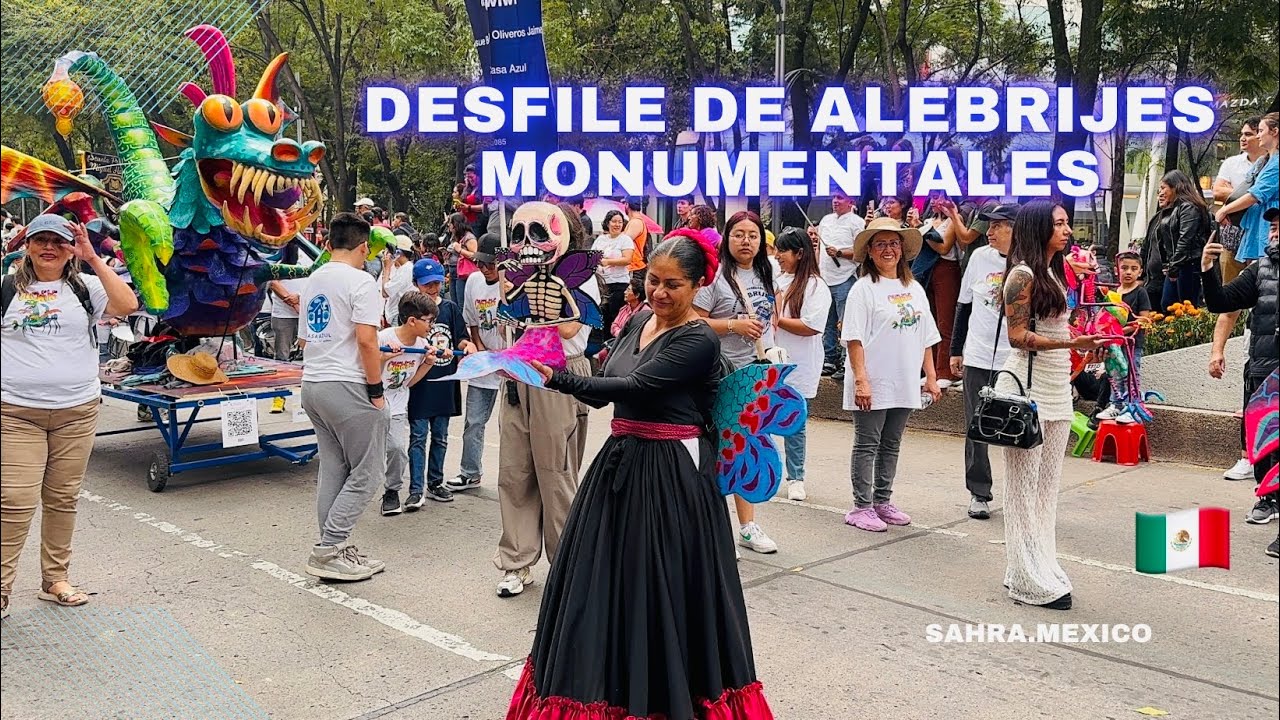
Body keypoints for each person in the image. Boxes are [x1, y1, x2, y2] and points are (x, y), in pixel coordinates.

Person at [506, 234, 774, 719]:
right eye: (653, 280)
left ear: (698, 285)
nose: (660, 293)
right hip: (620, 464)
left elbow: (637, 385)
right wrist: (543, 362)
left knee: (665, 590)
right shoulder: (638, 322)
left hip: (672, 474)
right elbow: (604, 387)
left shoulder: (697, 338)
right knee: (603, 590)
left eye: (673, 284)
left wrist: (552, 376)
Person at [1, 214, 138, 619]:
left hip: (76, 411)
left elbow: (127, 305)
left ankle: (54, 579)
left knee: (62, 498)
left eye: (58, 242)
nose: (49, 248)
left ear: (70, 247)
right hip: (16, 411)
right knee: (14, 499)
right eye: (40, 240)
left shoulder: (86, 286)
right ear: (26, 244)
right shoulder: (8, 288)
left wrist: (94, 258)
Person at [998, 200, 1109, 609]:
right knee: (1022, 488)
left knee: (1046, 489)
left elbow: (1060, 328)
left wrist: (1086, 345)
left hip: (1057, 387)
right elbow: (1017, 336)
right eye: (1058, 224)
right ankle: (1027, 577)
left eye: (1066, 224)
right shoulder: (1022, 275)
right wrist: (1070, 342)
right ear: (1038, 228)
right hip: (1026, 388)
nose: (1067, 230)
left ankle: (1035, 564)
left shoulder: (1055, 271)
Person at [494, 209, 600, 597]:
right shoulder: (514, 275)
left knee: (556, 473)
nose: (526, 242)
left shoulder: (579, 278)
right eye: (518, 232)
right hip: (518, 373)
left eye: (537, 232)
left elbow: (571, 326)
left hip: (560, 373)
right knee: (514, 471)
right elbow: (505, 319)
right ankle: (516, 562)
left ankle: (567, 564)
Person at [295, 213, 391, 580]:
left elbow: (308, 337)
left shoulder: (314, 279)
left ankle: (333, 547)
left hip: (314, 384)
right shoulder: (362, 281)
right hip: (348, 385)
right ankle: (327, 549)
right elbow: (367, 340)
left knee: (334, 468)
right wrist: (376, 390)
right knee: (369, 472)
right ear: (364, 246)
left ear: (329, 242)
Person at [841, 217, 941, 532]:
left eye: (894, 243)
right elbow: (854, 339)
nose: (888, 250)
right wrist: (861, 379)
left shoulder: (913, 288)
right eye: (881, 244)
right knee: (868, 442)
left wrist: (931, 376)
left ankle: (882, 500)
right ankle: (861, 506)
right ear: (869, 251)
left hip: (904, 379)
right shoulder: (863, 289)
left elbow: (926, 336)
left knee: (891, 442)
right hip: (872, 378)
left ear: (902, 249)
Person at [695, 210, 781, 554]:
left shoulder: (766, 273)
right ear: (726, 239)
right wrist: (733, 325)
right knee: (719, 451)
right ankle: (711, 527)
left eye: (753, 235)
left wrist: (773, 353)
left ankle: (747, 526)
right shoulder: (714, 278)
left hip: (755, 374)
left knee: (748, 449)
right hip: (719, 375)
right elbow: (695, 323)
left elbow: (767, 321)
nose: (746, 241)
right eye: (739, 234)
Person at [1201, 206, 1279, 548]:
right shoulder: (1259, 269)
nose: (1274, 233)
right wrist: (1207, 269)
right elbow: (1221, 302)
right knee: (1262, 447)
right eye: (1273, 227)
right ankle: (1268, 498)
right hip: (1263, 373)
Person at [949, 203, 1017, 520]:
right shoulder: (978, 258)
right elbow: (963, 305)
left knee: (1017, 429)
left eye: (996, 226)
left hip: (1015, 359)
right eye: (987, 226)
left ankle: (1021, 494)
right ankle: (979, 492)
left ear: (1014, 228)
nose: (988, 232)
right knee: (977, 427)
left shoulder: (1031, 264)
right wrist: (955, 350)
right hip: (977, 355)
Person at [406, 258, 476, 506]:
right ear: (416, 285)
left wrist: (467, 346)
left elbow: (461, 338)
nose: (433, 288)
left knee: (441, 436)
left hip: (445, 382)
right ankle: (416, 488)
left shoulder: (450, 308)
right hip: (420, 384)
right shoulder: (410, 310)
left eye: (436, 283)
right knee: (418, 436)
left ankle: (435, 482)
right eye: (427, 285)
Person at [772, 227, 832, 502]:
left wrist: (776, 318)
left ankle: (796, 477)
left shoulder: (815, 286)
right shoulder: (776, 278)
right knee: (762, 419)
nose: (778, 255)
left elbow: (810, 326)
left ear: (799, 253)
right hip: (771, 361)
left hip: (800, 364)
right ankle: (768, 472)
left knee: (794, 422)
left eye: (783, 250)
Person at [447, 235, 507, 492]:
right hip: (484, 361)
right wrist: (480, 348)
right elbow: (471, 318)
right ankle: (470, 472)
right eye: (481, 263)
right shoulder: (472, 281)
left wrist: (506, 357)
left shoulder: (513, 284)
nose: (484, 269)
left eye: (490, 264)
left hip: (509, 362)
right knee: (474, 420)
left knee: (512, 426)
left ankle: (514, 478)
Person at [379, 292, 438, 516]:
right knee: (362, 455)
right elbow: (364, 371)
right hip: (370, 403)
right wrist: (384, 358)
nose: (431, 326)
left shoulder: (422, 345)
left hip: (396, 406)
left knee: (396, 449)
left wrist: (428, 364)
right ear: (412, 320)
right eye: (429, 321)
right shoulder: (383, 338)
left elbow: (409, 382)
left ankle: (391, 491)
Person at [807, 190, 865, 382]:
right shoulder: (826, 220)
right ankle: (829, 358)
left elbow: (860, 251)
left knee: (845, 322)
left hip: (845, 277)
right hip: (825, 278)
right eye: (834, 197)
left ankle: (845, 360)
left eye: (840, 198)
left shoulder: (857, 222)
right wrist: (816, 270)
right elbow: (819, 250)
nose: (835, 201)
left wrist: (840, 253)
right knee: (828, 321)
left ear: (851, 201)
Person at [1092, 251, 1154, 424]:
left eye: (1133, 269)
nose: (1128, 272)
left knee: (1131, 374)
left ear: (1140, 271)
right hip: (1114, 344)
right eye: (1124, 268)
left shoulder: (1141, 292)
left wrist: (1121, 331)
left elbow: (1144, 320)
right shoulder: (1113, 294)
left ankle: (1132, 406)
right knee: (1115, 373)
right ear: (1116, 270)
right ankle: (1116, 404)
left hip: (1132, 343)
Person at [1216, 113, 1280, 267]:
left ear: (1275, 132)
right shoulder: (1264, 161)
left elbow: (1255, 194)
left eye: (1261, 131)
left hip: (1269, 220)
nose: (1258, 136)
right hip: (1257, 221)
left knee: (1266, 268)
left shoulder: (1276, 163)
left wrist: (1225, 210)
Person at [1148, 170, 1211, 308]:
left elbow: (1185, 239)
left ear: (1176, 187)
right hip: (1178, 265)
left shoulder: (1189, 208)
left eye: (1164, 188)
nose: (1161, 192)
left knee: (1185, 308)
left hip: (1188, 265)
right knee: (1170, 305)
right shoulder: (1175, 209)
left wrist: (1174, 267)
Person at [267, 241, 307, 413]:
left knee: (309, 357)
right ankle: (279, 397)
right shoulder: (275, 254)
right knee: (281, 357)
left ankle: (307, 399)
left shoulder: (307, 255)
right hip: (283, 314)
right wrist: (290, 300)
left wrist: (300, 298)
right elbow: (272, 281)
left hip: (306, 313)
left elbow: (315, 280)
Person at [592, 210, 636, 335]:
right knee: (603, 316)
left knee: (615, 316)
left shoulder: (625, 239)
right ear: (608, 223)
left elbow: (627, 259)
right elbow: (592, 256)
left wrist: (608, 262)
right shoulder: (600, 239)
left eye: (620, 222)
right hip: (602, 284)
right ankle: (603, 346)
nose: (617, 224)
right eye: (614, 221)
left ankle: (614, 345)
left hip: (618, 283)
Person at [380, 234, 417, 326]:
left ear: (398, 253)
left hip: (399, 315)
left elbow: (385, 292)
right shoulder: (405, 268)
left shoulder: (406, 270)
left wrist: (387, 268)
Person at [446, 212, 479, 308]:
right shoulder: (455, 237)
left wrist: (460, 250)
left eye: (450, 223)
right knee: (454, 302)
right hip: (453, 272)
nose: (449, 225)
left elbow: (475, 255)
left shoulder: (469, 237)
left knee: (462, 303)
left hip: (462, 273)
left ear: (455, 224)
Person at [624, 197, 649, 277]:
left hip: (635, 267)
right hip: (633, 267)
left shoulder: (636, 222)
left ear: (627, 205)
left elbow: (623, 243)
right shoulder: (634, 221)